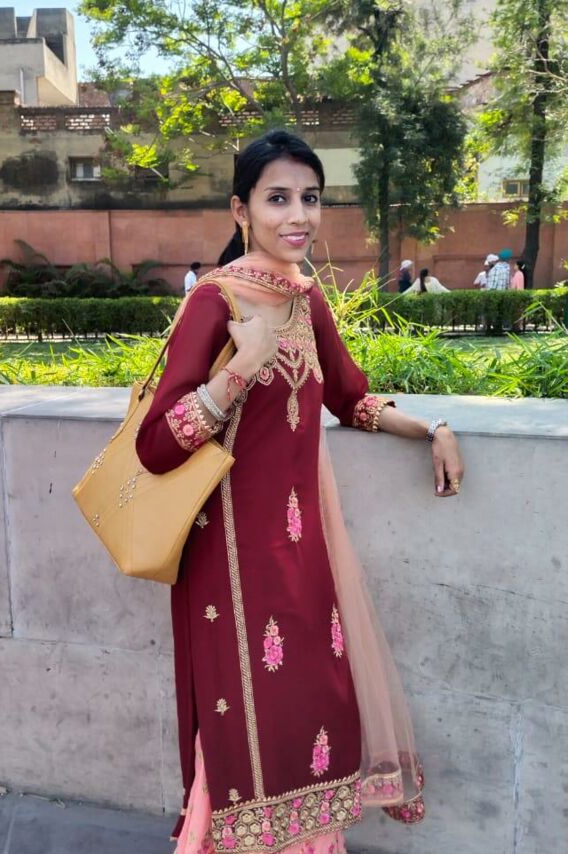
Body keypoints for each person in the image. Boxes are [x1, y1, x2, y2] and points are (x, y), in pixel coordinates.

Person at [136, 130, 464, 854]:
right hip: (228, 560)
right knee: (246, 732)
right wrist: (239, 368)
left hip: (304, 556)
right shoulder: (214, 303)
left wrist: (431, 428)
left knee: (312, 710)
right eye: (278, 198)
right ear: (241, 210)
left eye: (310, 199)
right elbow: (155, 445)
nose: (298, 216)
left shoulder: (307, 299)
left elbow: (349, 398)